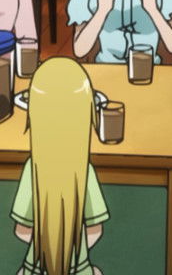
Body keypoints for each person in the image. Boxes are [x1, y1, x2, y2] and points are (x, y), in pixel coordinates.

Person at [10, 58, 109, 275]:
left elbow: (22, 230)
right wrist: (71, 251)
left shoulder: (32, 167)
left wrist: (48, 245)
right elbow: (95, 229)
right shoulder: (85, 169)